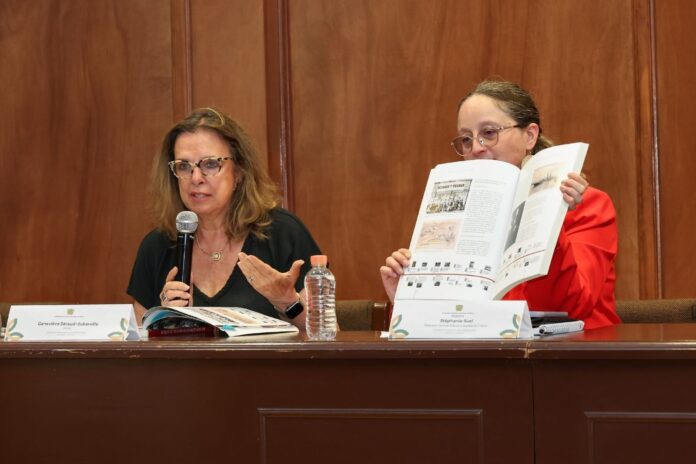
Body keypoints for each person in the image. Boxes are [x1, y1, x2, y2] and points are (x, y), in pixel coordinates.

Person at [380, 80, 620, 329]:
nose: (475, 148)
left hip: (570, 351)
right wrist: (406, 298)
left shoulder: (590, 205)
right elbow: (455, 318)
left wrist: (547, 215)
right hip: (488, 348)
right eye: (466, 139)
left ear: (530, 136)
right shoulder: (464, 213)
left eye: (488, 133)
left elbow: (574, 307)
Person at [127, 107, 320, 327]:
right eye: (184, 166)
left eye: (210, 164)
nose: (196, 178)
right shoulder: (158, 246)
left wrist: (288, 302)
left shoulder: (284, 233)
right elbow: (137, 341)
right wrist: (163, 319)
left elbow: (327, 335)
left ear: (238, 172)